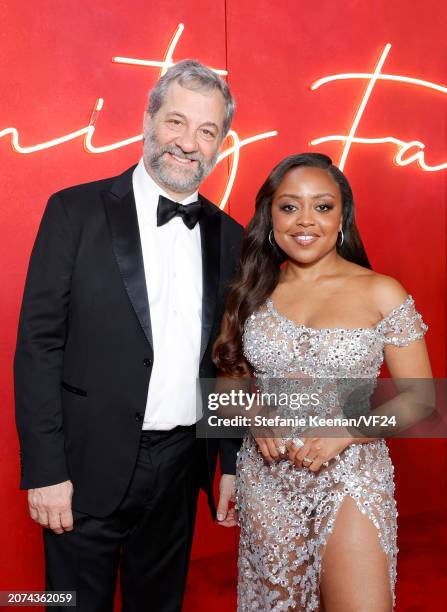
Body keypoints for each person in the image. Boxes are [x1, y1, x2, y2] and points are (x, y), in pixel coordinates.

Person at [14, 59, 243, 611]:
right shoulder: (73, 211)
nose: (188, 143)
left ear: (220, 146)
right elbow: (38, 346)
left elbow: (229, 360)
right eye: (176, 122)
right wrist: (45, 472)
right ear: (149, 118)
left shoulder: (232, 238)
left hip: (180, 467)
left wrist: (231, 461)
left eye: (207, 131)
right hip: (84, 466)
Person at [213, 153, 432, 611]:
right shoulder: (249, 291)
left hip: (351, 473)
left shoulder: (381, 291)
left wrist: (349, 431)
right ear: (269, 217)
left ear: (342, 217)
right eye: (290, 206)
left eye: (323, 206)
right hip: (267, 479)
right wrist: (253, 415)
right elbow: (225, 385)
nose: (305, 220)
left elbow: (421, 399)